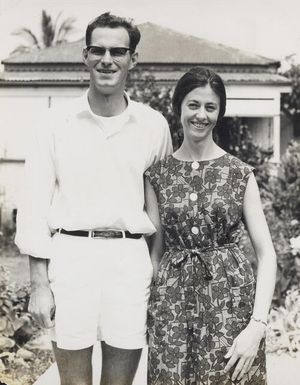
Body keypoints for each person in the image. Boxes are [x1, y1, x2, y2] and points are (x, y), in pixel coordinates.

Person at [15, 12, 172, 385]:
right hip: (71, 258)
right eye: (97, 50)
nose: (107, 59)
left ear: (133, 59)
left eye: (118, 51)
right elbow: (34, 204)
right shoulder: (54, 123)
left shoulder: (153, 126)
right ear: (84, 56)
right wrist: (39, 285)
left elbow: (163, 205)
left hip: (130, 260)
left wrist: (152, 267)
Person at [144, 67, 277, 385]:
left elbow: (267, 254)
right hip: (171, 306)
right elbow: (155, 252)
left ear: (220, 113)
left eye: (210, 107)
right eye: (193, 104)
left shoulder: (239, 172)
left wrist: (257, 325)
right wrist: (147, 308)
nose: (200, 115)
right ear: (178, 107)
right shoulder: (157, 175)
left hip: (229, 306)